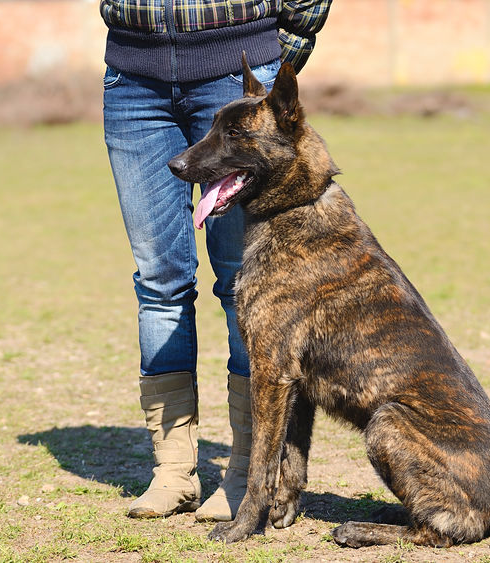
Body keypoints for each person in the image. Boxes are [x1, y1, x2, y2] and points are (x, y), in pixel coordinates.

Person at [100, 0, 331, 522]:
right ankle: (174, 473)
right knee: (159, 282)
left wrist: (274, 58)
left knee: (242, 284)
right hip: (133, 83)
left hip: (234, 73)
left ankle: (248, 474)